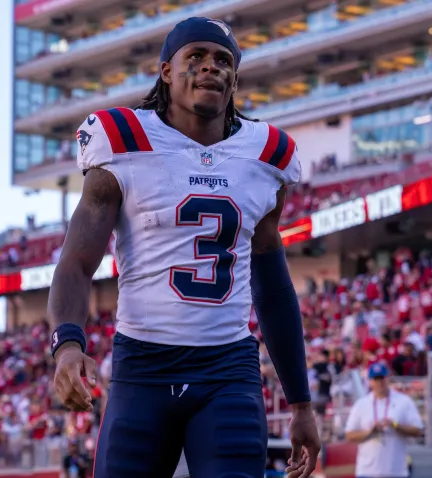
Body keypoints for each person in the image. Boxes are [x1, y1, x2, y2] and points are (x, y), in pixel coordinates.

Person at [48, 16, 320, 478]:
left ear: (235, 77)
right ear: (166, 71)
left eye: (222, 60)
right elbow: (76, 261)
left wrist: (300, 403)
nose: (210, 67)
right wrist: (67, 344)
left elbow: (271, 288)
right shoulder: (124, 141)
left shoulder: (266, 154)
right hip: (143, 367)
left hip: (227, 370)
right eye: (195, 56)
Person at [344, 363, 424, 478]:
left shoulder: (404, 401)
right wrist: (370, 431)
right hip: (367, 471)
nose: (380, 382)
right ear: (370, 381)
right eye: (376, 379)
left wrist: (396, 425)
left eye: (382, 378)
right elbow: (349, 435)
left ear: (388, 378)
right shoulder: (361, 404)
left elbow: (417, 430)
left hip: (396, 471)